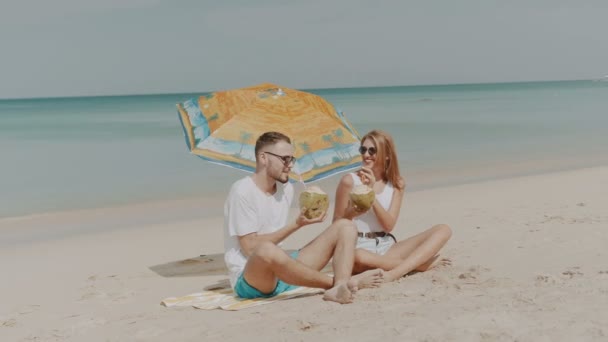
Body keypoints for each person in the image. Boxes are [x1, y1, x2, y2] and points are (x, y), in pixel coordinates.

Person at [224, 131, 382, 304]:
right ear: (263, 158)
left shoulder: (286, 189)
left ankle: (340, 286)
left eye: (292, 159)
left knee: (346, 226)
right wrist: (297, 224)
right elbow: (250, 248)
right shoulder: (242, 191)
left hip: (282, 273)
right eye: (285, 159)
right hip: (251, 279)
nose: (290, 165)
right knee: (266, 250)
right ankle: (338, 284)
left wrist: (344, 210)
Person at [332, 130, 452, 283]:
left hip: (386, 246)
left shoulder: (396, 184)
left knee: (444, 229)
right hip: (358, 245)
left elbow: (388, 226)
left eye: (372, 150)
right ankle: (418, 265)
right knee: (359, 256)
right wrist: (352, 210)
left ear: (386, 155)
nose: (366, 154)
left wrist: (370, 194)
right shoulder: (349, 181)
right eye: (363, 149)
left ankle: (393, 273)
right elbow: (336, 225)